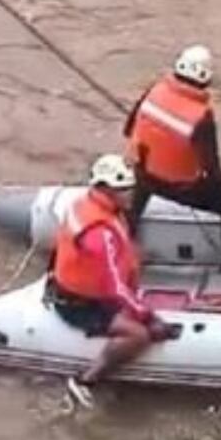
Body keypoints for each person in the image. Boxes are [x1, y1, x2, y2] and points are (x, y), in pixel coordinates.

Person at [122, 43, 221, 298]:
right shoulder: (201, 117)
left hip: (145, 175)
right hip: (180, 185)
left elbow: (129, 129)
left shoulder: (154, 91)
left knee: (132, 209)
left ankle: (122, 259)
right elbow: (212, 170)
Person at [46, 153, 171, 410]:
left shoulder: (88, 205)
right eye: (123, 190)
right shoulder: (99, 233)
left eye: (130, 188)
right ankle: (86, 380)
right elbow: (115, 287)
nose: (130, 195)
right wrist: (147, 317)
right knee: (137, 335)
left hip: (81, 285)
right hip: (81, 302)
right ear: (105, 189)